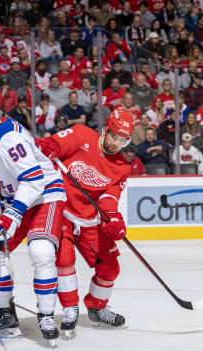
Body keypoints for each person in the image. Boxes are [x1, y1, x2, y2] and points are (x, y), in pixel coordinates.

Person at [0, 91, 66, 344]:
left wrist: (13, 215)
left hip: (45, 196)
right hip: (20, 195)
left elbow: (34, 180)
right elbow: (12, 173)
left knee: (40, 251)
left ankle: (47, 315)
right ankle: (6, 312)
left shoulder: (7, 139)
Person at [37, 109, 134, 336]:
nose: (117, 144)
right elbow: (51, 145)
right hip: (60, 207)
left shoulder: (121, 166)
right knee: (64, 259)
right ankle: (70, 308)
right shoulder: (82, 135)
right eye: (114, 136)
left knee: (110, 268)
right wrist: (49, 146)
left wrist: (114, 217)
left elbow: (110, 198)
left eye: (123, 140)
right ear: (105, 130)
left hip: (89, 218)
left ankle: (97, 308)